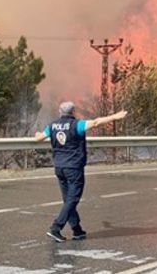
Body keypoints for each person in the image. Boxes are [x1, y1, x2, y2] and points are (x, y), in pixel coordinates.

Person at [34, 101, 128, 242]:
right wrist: (115, 116)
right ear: (73, 112)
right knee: (73, 199)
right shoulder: (77, 125)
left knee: (68, 200)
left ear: (60, 112)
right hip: (73, 167)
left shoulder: (52, 126)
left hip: (59, 167)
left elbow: (39, 138)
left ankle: (77, 230)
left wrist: (37, 134)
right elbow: (96, 122)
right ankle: (56, 228)